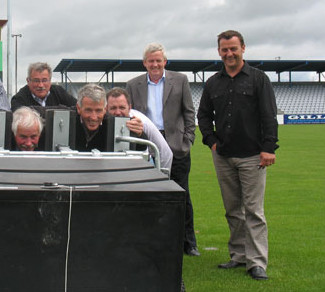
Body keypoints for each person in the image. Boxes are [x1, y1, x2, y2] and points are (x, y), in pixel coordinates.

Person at [197, 30, 278, 281]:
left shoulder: (258, 79)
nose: (229, 53)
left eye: (233, 48)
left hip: (253, 156)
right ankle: (239, 255)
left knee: (253, 210)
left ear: (243, 48)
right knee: (232, 209)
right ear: (219, 51)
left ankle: (256, 262)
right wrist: (211, 142)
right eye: (224, 49)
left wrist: (268, 148)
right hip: (223, 156)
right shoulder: (212, 83)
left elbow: (268, 116)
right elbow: (203, 116)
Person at [126, 43, 199, 257]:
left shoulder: (180, 80)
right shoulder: (133, 84)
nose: (155, 64)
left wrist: (188, 140)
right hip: (145, 142)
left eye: (159, 60)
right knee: (144, 192)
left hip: (176, 145)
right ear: (145, 63)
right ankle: (147, 236)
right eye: (151, 61)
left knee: (181, 193)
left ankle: (188, 242)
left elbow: (188, 112)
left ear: (165, 62)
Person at [106, 87, 173, 171]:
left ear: (129, 107)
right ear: (106, 108)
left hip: (141, 166)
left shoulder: (143, 122)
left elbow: (165, 153)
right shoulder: (100, 122)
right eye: (113, 108)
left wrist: (161, 179)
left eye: (122, 108)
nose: (118, 112)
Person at [10, 62, 77, 111]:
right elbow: (19, 113)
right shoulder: (19, 98)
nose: (41, 85)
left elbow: (78, 107)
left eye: (44, 80)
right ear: (28, 81)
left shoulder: (58, 92)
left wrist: (33, 111)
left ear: (50, 80)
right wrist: (61, 109)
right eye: (36, 81)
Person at [74, 84, 108, 152]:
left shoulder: (113, 125)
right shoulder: (67, 119)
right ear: (78, 108)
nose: (93, 118)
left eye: (98, 110)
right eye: (88, 110)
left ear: (105, 109)